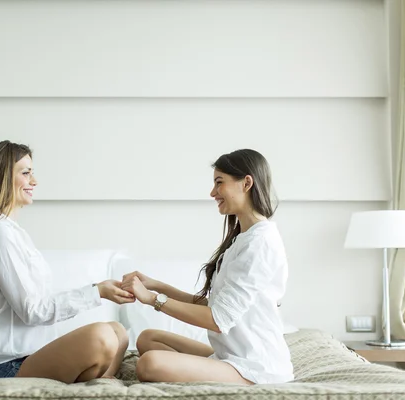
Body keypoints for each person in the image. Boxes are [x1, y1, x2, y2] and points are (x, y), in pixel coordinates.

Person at [0, 140, 135, 383]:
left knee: (118, 331)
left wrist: (99, 289)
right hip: (8, 363)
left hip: (33, 352)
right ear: (0, 177)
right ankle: (98, 381)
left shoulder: (12, 232)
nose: (34, 181)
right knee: (103, 335)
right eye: (26, 173)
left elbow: (38, 301)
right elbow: (32, 311)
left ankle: (98, 383)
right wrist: (96, 292)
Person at [121, 149, 294, 385]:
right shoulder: (243, 238)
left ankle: (196, 373)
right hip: (231, 355)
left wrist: (153, 299)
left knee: (149, 364)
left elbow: (217, 319)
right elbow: (215, 305)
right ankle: (196, 372)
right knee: (148, 338)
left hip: (257, 367)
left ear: (246, 183)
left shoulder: (260, 244)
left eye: (219, 183)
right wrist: (156, 285)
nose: (213, 193)